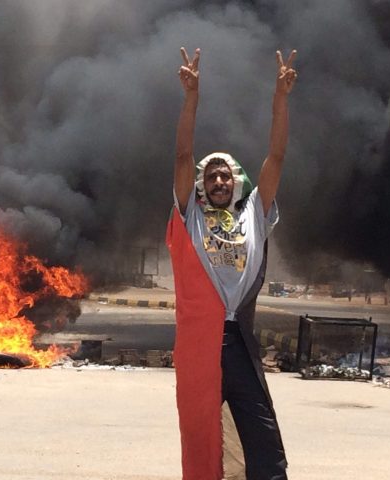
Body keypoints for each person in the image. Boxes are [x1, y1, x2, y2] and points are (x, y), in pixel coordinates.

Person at [166, 46, 297, 480]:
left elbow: (275, 158)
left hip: (238, 341)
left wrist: (280, 101)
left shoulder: (255, 212)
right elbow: (183, 157)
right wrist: (191, 98)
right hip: (199, 345)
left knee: (265, 445)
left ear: (237, 180)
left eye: (226, 174)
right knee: (202, 444)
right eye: (212, 175)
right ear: (202, 186)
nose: (219, 180)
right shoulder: (191, 216)